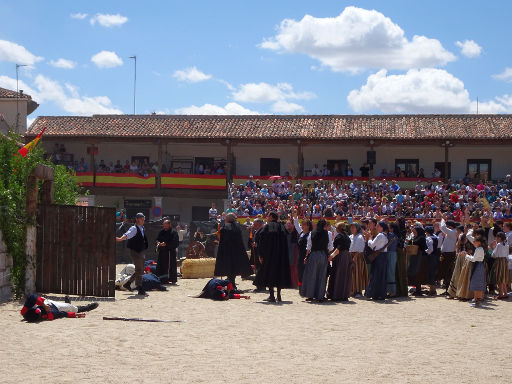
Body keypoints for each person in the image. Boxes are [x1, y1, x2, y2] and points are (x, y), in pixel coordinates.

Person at [253, 212, 291, 303]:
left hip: (269, 256)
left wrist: (260, 254)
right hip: (281, 256)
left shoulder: (266, 227)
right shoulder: (282, 227)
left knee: (269, 274)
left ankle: (272, 295)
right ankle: (278, 295)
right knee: (279, 274)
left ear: (271, 217)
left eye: (268, 216)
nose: (267, 217)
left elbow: (261, 242)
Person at [214, 213, 253, 288]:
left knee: (229, 268)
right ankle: (232, 283)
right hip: (237, 250)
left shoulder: (226, 226)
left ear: (228, 219)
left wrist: (219, 232)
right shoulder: (238, 226)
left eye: (226, 218)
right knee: (234, 268)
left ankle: (232, 284)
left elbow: (224, 234)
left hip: (228, 251)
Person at [116, 212, 149, 296]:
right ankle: (139, 288)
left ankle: (128, 284)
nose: (143, 220)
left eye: (143, 219)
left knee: (140, 269)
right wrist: (120, 239)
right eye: (142, 219)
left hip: (140, 251)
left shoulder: (142, 228)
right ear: (137, 219)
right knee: (139, 269)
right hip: (135, 251)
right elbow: (127, 234)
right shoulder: (134, 228)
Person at [301, 219, 332, 302]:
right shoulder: (328, 233)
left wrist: (306, 257)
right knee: (321, 276)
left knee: (312, 275)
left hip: (314, 254)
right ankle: (320, 295)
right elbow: (330, 247)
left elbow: (309, 247)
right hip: (323, 255)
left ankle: (310, 295)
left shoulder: (312, 233)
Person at [20, 294, 98, 322]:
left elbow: (32, 296)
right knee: (72, 308)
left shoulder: (24, 312)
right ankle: (87, 308)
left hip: (46, 301)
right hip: (55, 306)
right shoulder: (49, 314)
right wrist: (75, 315)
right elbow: (61, 314)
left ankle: (67, 303)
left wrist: (43, 305)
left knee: (69, 307)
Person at [327, 222, 353, 301]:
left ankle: (336, 294)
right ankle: (344, 294)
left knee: (337, 274)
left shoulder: (339, 236)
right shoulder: (347, 236)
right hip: (347, 256)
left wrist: (331, 256)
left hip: (340, 256)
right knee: (344, 275)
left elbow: (338, 249)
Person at [364, 221, 389, 301]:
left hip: (378, 256)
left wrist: (369, 239)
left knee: (375, 275)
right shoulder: (385, 235)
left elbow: (371, 245)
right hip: (383, 256)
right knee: (382, 275)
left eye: (378, 226)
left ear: (382, 227)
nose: (377, 228)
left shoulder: (380, 235)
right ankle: (381, 294)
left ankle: (373, 293)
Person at [463, 235, 486, 307]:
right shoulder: (480, 248)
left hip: (477, 266)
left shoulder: (478, 249)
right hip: (480, 266)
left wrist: (466, 255)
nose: (473, 242)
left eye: (475, 241)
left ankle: (477, 301)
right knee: (478, 283)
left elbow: (473, 259)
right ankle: (477, 300)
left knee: (476, 283)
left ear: (479, 242)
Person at [156, 219, 180, 284]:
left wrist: (166, 244)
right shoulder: (161, 232)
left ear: (169, 225)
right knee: (161, 266)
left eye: (166, 225)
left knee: (170, 266)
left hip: (170, 253)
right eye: (164, 225)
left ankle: (171, 279)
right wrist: (159, 243)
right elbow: (157, 240)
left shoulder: (174, 232)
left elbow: (176, 242)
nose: (165, 227)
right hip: (162, 253)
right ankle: (162, 280)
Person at [407, 225, 429, 296]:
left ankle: (418, 290)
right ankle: (417, 289)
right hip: (416, 257)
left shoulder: (422, 238)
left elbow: (415, 242)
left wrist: (410, 240)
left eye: (415, 231)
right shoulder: (416, 237)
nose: (414, 233)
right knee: (415, 273)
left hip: (421, 257)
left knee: (419, 273)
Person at [438, 216, 458, 295]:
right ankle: (447, 289)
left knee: (448, 272)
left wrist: (442, 218)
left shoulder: (452, 232)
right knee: (446, 272)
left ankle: (448, 290)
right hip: (447, 254)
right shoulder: (451, 232)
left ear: (450, 226)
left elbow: (442, 227)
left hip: (448, 254)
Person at [293, 210, 312, 286]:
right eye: (302, 224)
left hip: (307, 254)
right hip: (300, 254)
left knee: (306, 270)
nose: (302, 226)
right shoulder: (301, 232)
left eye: (304, 224)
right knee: (300, 270)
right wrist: (295, 216)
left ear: (308, 226)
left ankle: (306, 286)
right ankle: (301, 286)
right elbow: (297, 225)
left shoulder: (310, 234)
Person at [349, 222, 368, 297]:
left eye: (353, 227)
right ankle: (352, 290)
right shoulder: (351, 236)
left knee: (358, 273)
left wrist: (355, 256)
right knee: (352, 274)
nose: (352, 229)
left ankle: (358, 291)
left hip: (358, 256)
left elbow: (360, 249)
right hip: (351, 255)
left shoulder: (360, 237)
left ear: (357, 228)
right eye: (351, 227)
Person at [490, 232, 510, 300]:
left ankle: (501, 294)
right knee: (503, 277)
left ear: (500, 238)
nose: (496, 238)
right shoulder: (506, 244)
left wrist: (492, 248)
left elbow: (494, 255)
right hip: (504, 261)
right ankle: (505, 293)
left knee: (499, 277)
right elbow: (507, 255)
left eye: (497, 237)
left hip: (499, 261)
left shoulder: (499, 245)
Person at [284, 218, 299, 288]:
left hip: (294, 251)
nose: (288, 225)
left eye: (290, 224)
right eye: (287, 224)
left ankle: (293, 283)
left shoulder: (296, 233)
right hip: (286, 251)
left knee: (293, 268)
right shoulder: (284, 232)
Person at [386, 222, 399, 298]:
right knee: (390, 271)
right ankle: (390, 291)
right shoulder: (394, 235)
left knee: (391, 271)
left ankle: (393, 291)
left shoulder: (391, 235)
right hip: (392, 253)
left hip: (391, 253)